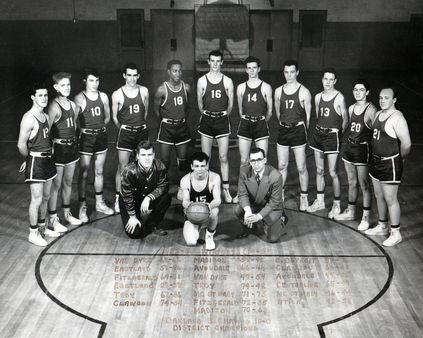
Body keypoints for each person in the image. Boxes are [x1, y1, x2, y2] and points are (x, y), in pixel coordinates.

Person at [365, 87, 411, 246]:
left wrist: (400, 159)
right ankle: (382, 225)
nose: (382, 100)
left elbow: (406, 144)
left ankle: (396, 232)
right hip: (376, 161)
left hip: (390, 163)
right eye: (380, 98)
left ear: (394, 100)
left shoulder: (398, 118)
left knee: (391, 198)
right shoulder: (378, 114)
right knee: (379, 196)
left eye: (386, 98)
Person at [17, 83, 60, 246]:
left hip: (48, 160)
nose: (44, 98)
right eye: (40, 95)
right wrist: (29, 159)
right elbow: (21, 145)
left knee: (46, 197)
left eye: (46, 95)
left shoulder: (46, 117)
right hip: (37, 161)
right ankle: (33, 232)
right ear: (33, 97)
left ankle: (42, 228)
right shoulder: (28, 118)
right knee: (37, 199)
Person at [334, 80, 377, 230]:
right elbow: (348, 127)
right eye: (355, 90)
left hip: (362, 149)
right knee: (351, 181)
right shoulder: (351, 108)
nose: (358, 92)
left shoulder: (371, 110)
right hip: (349, 147)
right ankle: (351, 211)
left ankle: (366, 217)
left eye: (361, 90)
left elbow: (377, 132)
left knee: (364, 184)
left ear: (367, 92)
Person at [308, 68, 348, 218]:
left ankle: (337, 204)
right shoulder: (318, 97)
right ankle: (320, 201)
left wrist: (338, 134)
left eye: (331, 80)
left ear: (335, 81)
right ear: (322, 80)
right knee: (319, 170)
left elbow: (346, 120)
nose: (328, 82)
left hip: (332, 136)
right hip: (318, 134)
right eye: (326, 79)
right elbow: (318, 116)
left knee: (333, 172)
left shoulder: (339, 97)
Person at [74, 68, 114, 222]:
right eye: (91, 80)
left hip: (101, 136)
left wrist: (99, 129)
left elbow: (108, 117)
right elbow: (75, 120)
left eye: (97, 80)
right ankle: (82, 207)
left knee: (99, 171)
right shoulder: (79, 98)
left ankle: (99, 203)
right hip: (86, 138)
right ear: (85, 81)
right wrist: (86, 131)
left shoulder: (103, 96)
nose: (95, 84)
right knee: (83, 174)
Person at [197, 50, 234, 203]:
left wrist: (222, 115)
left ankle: (225, 190)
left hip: (222, 121)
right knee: (206, 158)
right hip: (207, 120)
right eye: (212, 61)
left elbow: (231, 104)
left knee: (223, 157)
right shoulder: (202, 80)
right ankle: (206, 189)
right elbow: (200, 103)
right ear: (208, 61)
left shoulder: (227, 81)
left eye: (218, 61)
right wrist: (208, 115)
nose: (215, 64)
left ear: (222, 62)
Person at [46, 73, 82, 233]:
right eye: (63, 85)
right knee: (56, 184)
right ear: (55, 87)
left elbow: (73, 126)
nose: (66, 88)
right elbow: (46, 131)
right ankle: (52, 219)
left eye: (68, 84)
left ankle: (66, 214)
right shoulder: (54, 107)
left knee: (68, 182)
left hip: (72, 148)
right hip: (59, 150)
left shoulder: (73, 106)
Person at [274, 60, 312, 209]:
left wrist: (299, 129)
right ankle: (280, 194)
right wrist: (286, 124)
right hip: (284, 129)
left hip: (298, 130)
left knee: (301, 166)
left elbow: (308, 117)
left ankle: (304, 197)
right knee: (282, 165)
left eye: (292, 72)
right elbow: (278, 113)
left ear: (297, 72)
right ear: (284, 72)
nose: (289, 75)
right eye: (286, 72)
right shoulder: (278, 91)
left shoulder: (304, 92)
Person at [112, 63, 149, 213]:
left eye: (135, 75)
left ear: (138, 76)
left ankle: (139, 196)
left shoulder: (144, 91)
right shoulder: (117, 94)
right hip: (126, 132)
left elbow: (145, 113)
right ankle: (118, 198)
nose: (132, 79)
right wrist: (124, 127)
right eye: (129, 75)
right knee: (123, 167)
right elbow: (114, 117)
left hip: (141, 131)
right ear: (124, 76)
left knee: (143, 166)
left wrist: (138, 125)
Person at [234, 56, 273, 203]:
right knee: (244, 160)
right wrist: (249, 120)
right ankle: (241, 192)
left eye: (254, 68)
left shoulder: (266, 87)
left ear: (259, 69)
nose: (251, 70)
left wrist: (261, 121)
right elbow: (240, 109)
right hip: (245, 124)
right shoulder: (241, 87)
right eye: (249, 68)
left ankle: (262, 194)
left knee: (262, 161)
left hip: (261, 124)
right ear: (246, 70)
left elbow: (270, 110)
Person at [119, 140, 171, 238]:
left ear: (154, 155)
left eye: (149, 154)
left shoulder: (159, 166)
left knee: (166, 197)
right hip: (131, 202)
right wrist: (132, 216)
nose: (147, 158)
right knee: (136, 234)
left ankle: (152, 224)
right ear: (137, 156)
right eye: (143, 155)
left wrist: (149, 197)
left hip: (147, 199)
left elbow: (164, 185)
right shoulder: (129, 171)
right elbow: (127, 196)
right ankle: (137, 217)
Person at [234, 148, 287, 243]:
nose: (256, 163)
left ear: (265, 160)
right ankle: (251, 228)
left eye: (259, 160)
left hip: (271, 207)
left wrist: (258, 216)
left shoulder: (275, 176)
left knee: (273, 238)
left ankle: (282, 219)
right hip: (254, 204)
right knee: (238, 209)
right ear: (249, 162)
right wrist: (248, 211)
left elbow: (274, 201)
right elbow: (242, 193)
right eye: (253, 161)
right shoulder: (244, 171)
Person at [154, 60, 190, 198]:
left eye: (180, 70)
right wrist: (165, 123)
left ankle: (182, 188)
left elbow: (188, 108)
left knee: (183, 161)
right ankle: (162, 187)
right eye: (175, 71)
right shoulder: (161, 89)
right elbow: (156, 111)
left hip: (182, 127)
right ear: (168, 71)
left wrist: (180, 119)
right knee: (165, 161)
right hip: (166, 128)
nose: (178, 73)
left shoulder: (186, 87)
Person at [180, 152, 221, 250]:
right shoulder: (185, 180)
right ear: (192, 166)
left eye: (203, 166)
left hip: (209, 210)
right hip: (193, 213)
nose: (200, 169)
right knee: (191, 242)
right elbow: (184, 201)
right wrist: (190, 206)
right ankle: (198, 225)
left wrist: (208, 206)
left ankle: (209, 235)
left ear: (207, 166)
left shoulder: (215, 178)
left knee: (214, 212)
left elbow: (218, 200)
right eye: (197, 166)